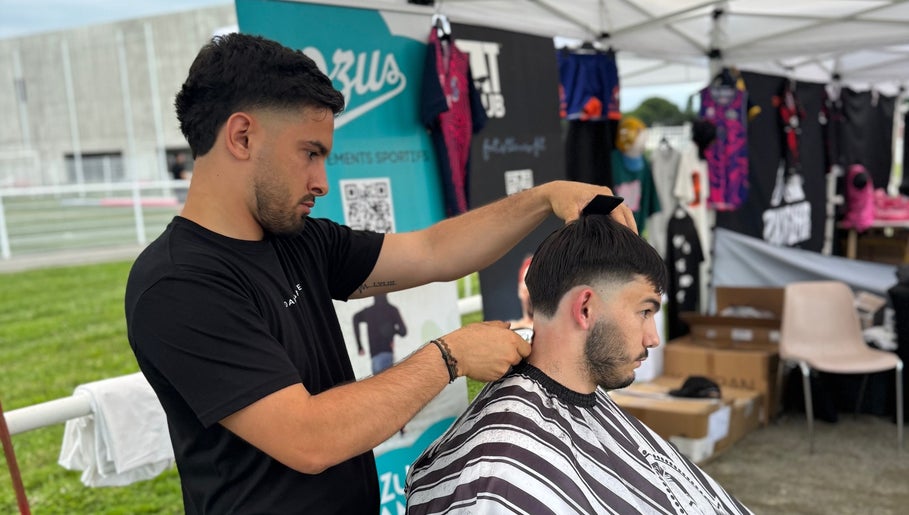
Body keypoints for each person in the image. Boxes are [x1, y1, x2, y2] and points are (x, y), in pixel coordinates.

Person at [124, 33, 635, 515]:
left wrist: (546, 197)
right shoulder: (179, 285)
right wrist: (449, 356)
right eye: (310, 153)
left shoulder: (298, 240)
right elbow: (308, 438)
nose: (321, 181)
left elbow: (433, 251)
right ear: (241, 136)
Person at [406, 214, 752, 514]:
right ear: (585, 308)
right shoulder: (498, 477)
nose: (652, 338)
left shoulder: (584, 397)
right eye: (644, 312)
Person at [353, 293, 407, 376]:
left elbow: (355, 318)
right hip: (386, 353)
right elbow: (403, 332)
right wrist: (393, 331)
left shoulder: (369, 312)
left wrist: (359, 345)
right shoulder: (392, 310)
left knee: (382, 386)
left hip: (374, 357)